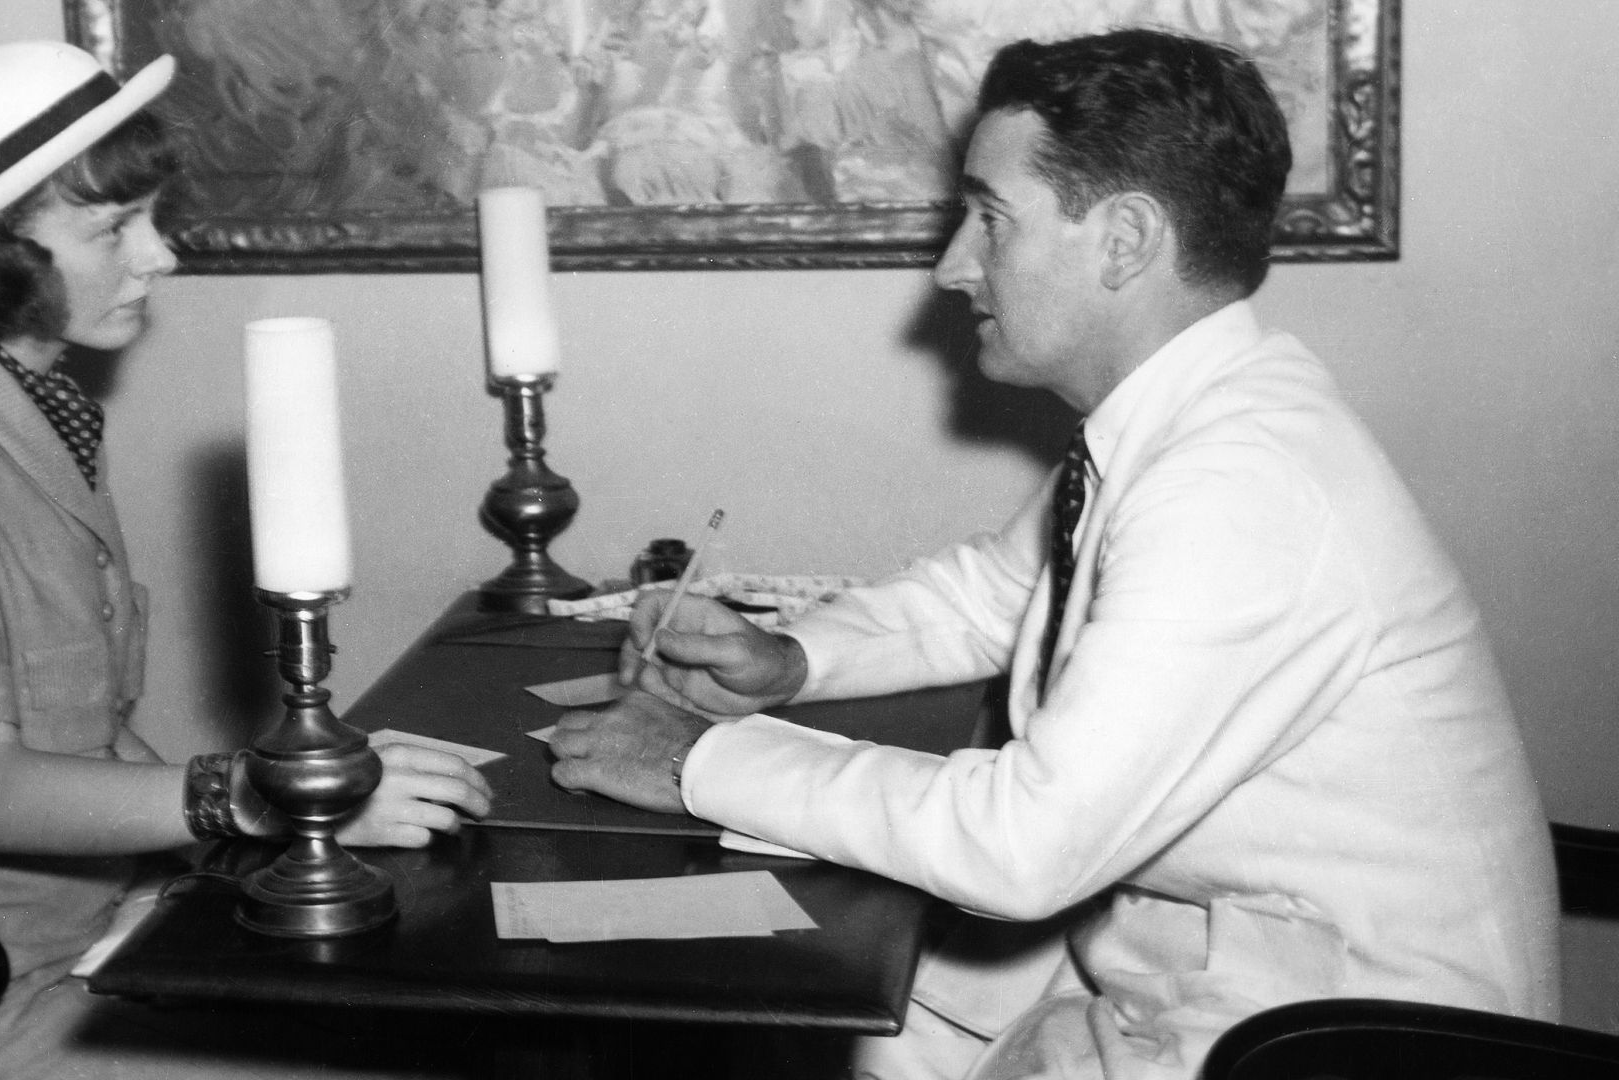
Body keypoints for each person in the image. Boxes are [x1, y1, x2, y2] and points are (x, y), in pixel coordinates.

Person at [548, 27, 1559, 1080]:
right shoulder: (1191, 421)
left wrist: (691, 758)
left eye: (989, 219)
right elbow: (996, 593)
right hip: (1226, 973)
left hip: (1353, 1041)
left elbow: (1023, 847)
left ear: (1123, 240)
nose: (951, 266)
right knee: (848, 1019)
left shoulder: (1243, 487)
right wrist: (790, 662)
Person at [0, 41, 492, 1079]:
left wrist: (290, 812)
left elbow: (89, 731)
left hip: (94, 940)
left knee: (430, 1028)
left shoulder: (29, 408)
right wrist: (268, 798)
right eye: (116, 227)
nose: (162, 256)